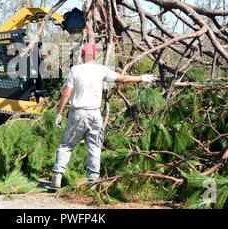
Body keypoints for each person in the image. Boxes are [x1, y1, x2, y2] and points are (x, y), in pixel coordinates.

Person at [51, 43, 155, 188]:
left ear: (81, 55)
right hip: (95, 114)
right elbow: (122, 78)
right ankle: (92, 181)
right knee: (94, 147)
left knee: (66, 145)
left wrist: (59, 113)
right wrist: (141, 78)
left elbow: (66, 93)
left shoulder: (75, 70)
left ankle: (57, 176)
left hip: (77, 113)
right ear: (94, 55)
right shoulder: (101, 70)